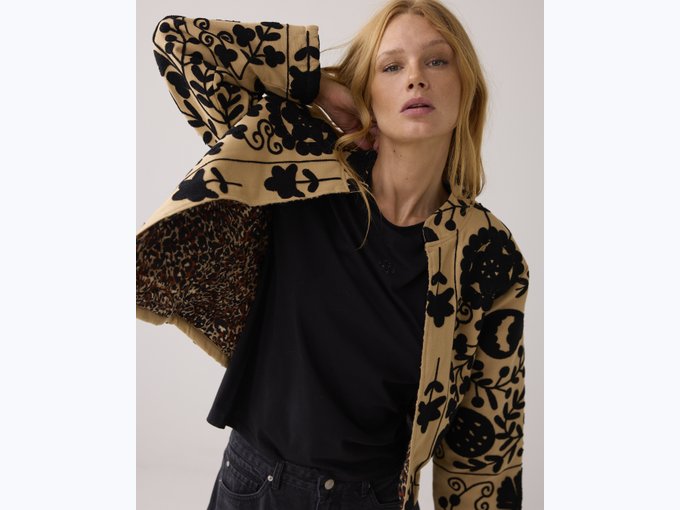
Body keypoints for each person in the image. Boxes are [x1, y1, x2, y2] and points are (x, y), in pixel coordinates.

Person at [136, 1, 530, 509]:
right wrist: (318, 86)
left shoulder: (488, 253)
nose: (416, 77)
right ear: (367, 93)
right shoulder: (299, 165)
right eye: (392, 66)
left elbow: (486, 451)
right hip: (255, 488)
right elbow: (178, 42)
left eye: (437, 60)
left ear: (466, 88)